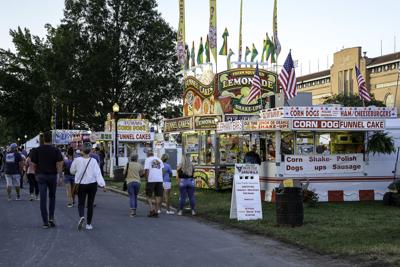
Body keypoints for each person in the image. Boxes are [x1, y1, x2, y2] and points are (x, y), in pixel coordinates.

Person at [30, 131, 64, 229]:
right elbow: (59, 164)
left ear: (43, 139)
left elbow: (33, 164)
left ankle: (45, 222)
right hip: (52, 176)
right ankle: (51, 218)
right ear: (51, 139)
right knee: (52, 197)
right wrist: (60, 176)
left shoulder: (37, 150)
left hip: (41, 176)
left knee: (43, 199)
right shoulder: (56, 150)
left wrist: (34, 174)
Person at [70, 142, 106, 231]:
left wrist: (77, 172)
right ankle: (89, 224)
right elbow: (98, 174)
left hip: (81, 184)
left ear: (82, 150)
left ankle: (82, 216)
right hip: (92, 184)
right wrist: (103, 184)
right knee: (90, 204)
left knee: (81, 203)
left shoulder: (77, 160)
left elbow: (72, 171)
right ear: (90, 151)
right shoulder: (93, 161)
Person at [144, 150, 164, 218]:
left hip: (151, 179)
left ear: (147, 154)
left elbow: (147, 170)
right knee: (158, 196)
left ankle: (151, 209)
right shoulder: (159, 160)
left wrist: (147, 179)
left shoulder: (147, 159)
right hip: (159, 179)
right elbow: (162, 170)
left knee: (148, 195)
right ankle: (156, 210)